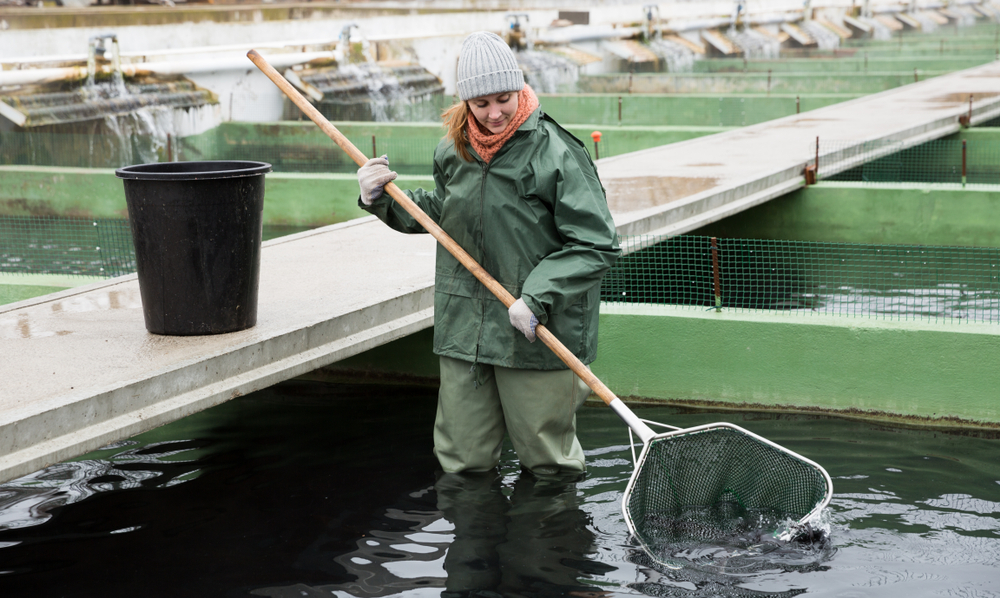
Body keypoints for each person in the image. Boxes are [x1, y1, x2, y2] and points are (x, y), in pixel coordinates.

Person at [356, 31, 620, 479]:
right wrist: (382, 198)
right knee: (463, 460)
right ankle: (474, 544)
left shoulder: (558, 152)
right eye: (481, 103)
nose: (495, 113)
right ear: (465, 102)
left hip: (537, 330)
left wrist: (535, 298)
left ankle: (548, 545)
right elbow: (446, 217)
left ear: (519, 87)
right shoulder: (451, 150)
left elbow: (595, 244)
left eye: (504, 98)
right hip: (467, 329)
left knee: (548, 464)